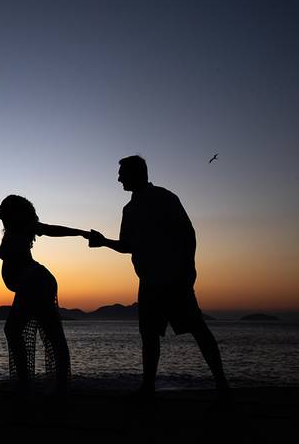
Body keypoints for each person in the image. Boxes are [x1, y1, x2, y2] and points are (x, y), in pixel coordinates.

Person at [88, 155, 231, 404]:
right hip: (149, 281)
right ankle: (148, 387)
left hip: (174, 278)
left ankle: (221, 383)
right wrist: (104, 242)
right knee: (150, 334)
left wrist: (188, 271)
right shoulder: (129, 208)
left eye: (122, 173)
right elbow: (127, 245)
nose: (119, 178)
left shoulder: (164, 198)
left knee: (197, 329)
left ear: (137, 173)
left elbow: (188, 234)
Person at [0, 194, 88, 400]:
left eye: (3, 205)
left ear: (12, 211)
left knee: (45, 334)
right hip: (31, 283)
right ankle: (29, 384)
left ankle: (46, 387)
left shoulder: (25, 227)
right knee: (36, 332)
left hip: (35, 282)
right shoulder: (12, 230)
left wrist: (80, 233)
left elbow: (52, 230)